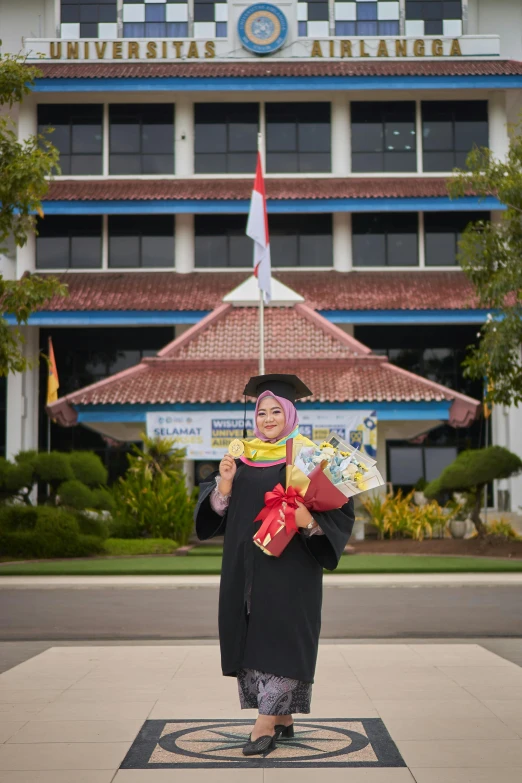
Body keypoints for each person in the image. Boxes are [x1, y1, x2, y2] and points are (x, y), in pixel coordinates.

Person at [194, 373, 354, 756]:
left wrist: (309, 523)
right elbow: (217, 512)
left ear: (290, 414)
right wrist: (225, 486)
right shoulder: (242, 456)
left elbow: (340, 509)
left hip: (291, 570)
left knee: (282, 634)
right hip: (245, 567)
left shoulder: (309, 457)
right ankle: (283, 718)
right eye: (261, 412)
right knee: (251, 632)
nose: (267, 419)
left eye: (275, 411)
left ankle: (265, 722)